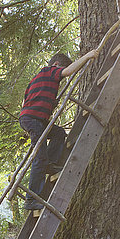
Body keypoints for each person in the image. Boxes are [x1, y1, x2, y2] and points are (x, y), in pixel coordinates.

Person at [19, 49, 99, 210]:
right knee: (39, 157)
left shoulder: (37, 79)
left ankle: (50, 163)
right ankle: (31, 199)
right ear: (56, 65)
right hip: (34, 120)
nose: (60, 78)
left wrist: (48, 102)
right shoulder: (49, 71)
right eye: (60, 70)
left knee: (59, 133)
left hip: (33, 119)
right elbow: (68, 71)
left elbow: (25, 101)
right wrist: (87, 56)